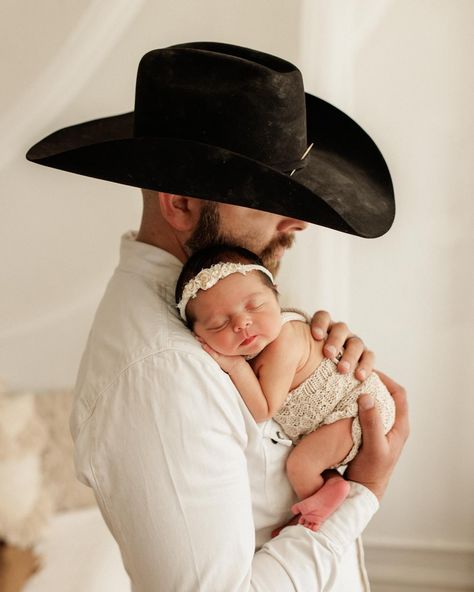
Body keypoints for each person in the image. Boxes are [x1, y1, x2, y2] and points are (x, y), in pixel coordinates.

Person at [26, 42, 408, 591]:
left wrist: (318, 381)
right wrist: (368, 488)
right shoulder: (163, 373)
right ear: (180, 203)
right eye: (265, 199)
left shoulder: (224, 309)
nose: (297, 224)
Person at [176, 243, 395, 532]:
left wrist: (235, 366)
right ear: (197, 336)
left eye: (254, 306)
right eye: (219, 324)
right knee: (311, 460)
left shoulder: (283, 342)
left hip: (355, 407)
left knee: (301, 466)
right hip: (339, 416)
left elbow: (264, 408)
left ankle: (312, 513)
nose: (242, 323)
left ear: (276, 295)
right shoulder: (261, 342)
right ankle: (329, 488)